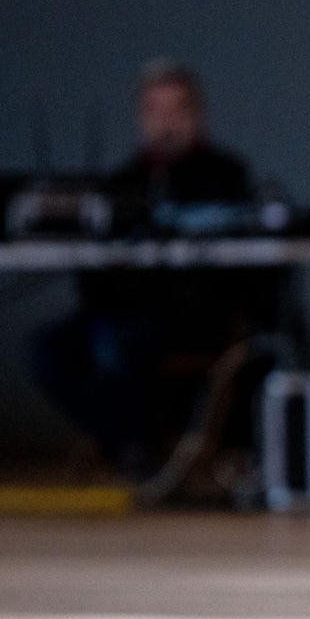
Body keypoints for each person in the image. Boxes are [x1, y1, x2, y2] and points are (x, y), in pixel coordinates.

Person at [31, 60, 268, 475]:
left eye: (177, 110)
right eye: (156, 111)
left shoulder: (226, 175)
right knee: (47, 348)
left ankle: (141, 452)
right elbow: (97, 272)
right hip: (121, 314)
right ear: (141, 118)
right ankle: (130, 443)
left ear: (197, 115)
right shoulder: (123, 181)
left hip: (193, 317)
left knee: (112, 343)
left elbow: (241, 266)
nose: (166, 123)